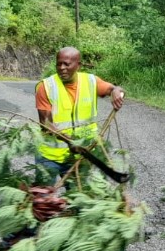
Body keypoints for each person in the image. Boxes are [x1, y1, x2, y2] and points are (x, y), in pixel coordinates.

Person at [35, 47, 125, 183]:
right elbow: (46, 124)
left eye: (66, 64)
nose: (62, 68)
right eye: (59, 64)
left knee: (79, 201)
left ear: (78, 65)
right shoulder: (46, 86)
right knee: (44, 199)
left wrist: (117, 91)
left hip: (79, 158)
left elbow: (114, 89)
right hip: (49, 157)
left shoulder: (91, 81)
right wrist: (70, 141)